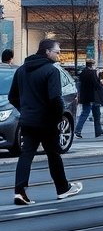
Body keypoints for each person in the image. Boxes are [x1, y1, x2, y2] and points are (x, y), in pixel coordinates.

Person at [9, 39, 82, 205]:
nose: (59, 55)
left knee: (26, 155)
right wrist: (57, 118)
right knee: (53, 154)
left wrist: (25, 110)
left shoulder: (21, 70)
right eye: (57, 52)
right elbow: (56, 99)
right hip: (46, 121)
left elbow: (12, 97)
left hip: (28, 121)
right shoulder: (51, 70)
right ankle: (62, 189)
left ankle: (19, 192)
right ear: (47, 52)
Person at [75, 60, 103, 139]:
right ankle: (97, 131)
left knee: (88, 113)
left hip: (85, 96)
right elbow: (96, 84)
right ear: (92, 65)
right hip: (93, 96)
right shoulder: (92, 73)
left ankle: (79, 131)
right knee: (93, 114)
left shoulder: (82, 73)